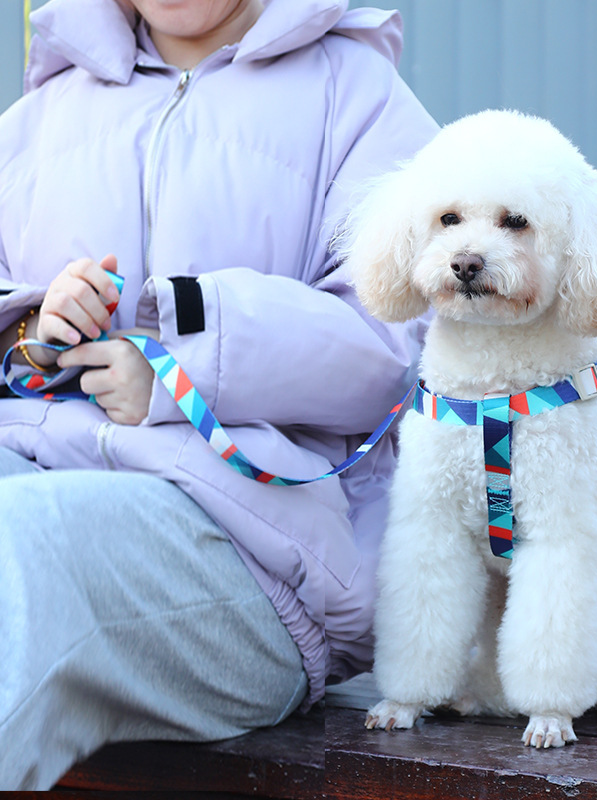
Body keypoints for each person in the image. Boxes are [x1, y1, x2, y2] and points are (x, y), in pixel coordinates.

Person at [0, 0, 438, 789]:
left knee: (24, 541)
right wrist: (29, 327)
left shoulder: (361, 99)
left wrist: (178, 367)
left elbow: (388, 348)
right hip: (41, 466)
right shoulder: (36, 118)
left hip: (256, 557)